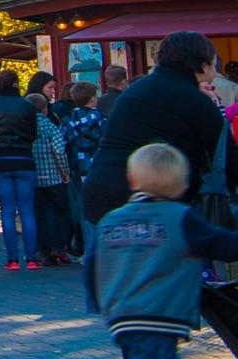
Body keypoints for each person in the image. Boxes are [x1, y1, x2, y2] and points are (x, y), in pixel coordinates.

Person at [87, 142, 238, 359]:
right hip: (160, 315)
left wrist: (98, 303)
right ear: (182, 186)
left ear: (132, 179)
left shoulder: (110, 220)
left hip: (121, 313)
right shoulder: (180, 218)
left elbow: (93, 264)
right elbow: (224, 246)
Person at [84, 31, 227, 224]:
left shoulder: (135, 91)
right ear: (202, 65)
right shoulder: (193, 100)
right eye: (213, 64)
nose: (215, 73)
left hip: (101, 187)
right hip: (151, 201)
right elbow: (225, 152)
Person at [0, 67, 41, 270]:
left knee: (7, 211)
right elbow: (33, 133)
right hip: (24, 158)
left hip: (1, 160)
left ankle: (12, 259)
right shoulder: (26, 105)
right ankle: (32, 257)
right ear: (16, 84)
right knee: (27, 210)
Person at [29, 92, 75, 266]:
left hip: (34, 178)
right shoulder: (50, 127)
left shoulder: (25, 129)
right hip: (54, 177)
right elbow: (59, 150)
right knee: (62, 211)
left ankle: (44, 250)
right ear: (45, 109)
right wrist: (65, 171)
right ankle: (59, 246)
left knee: (40, 215)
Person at [61, 80, 105, 257]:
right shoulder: (101, 118)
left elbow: (62, 144)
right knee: (100, 207)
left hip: (76, 168)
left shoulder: (67, 121)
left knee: (80, 208)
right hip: (97, 167)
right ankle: (100, 247)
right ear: (93, 99)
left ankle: (86, 247)